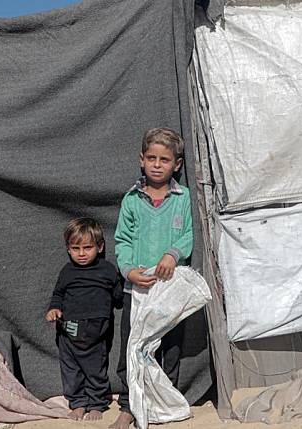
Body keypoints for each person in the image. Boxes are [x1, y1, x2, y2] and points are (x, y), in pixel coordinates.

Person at [110, 127, 193, 429]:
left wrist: (172, 254)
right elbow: (123, 240)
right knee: (132, 346)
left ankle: (162, 403)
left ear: (177, 165)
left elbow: (187, 234)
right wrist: (129, 269)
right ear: (141, 160)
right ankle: (129, 404)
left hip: (170, 289)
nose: (157, 164)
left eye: (165, 159)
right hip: (138, 288)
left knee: (169, 346)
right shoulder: (132, 200)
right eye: (151, 158)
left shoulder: (182, 198)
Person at [45, 217, 121, 421]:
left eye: (87, 247)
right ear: (68, 249)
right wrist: (54, 308)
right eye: (75, 248)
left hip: (96, 333)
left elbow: (118, 295)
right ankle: (78, 403)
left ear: (100, 247)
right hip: (68, 332)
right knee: (71, 371)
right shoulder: (67, 271)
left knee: (96, 370)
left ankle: (97, 404)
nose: (81, 253)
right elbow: (58, 294)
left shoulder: (107, 270)